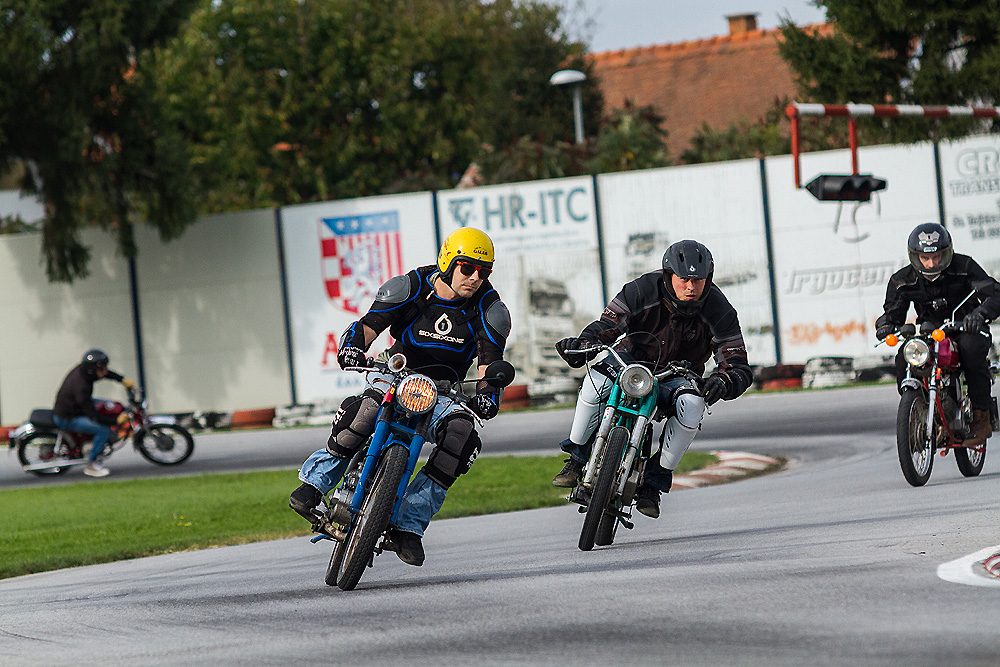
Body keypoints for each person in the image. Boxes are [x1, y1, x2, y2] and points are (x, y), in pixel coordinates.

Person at [289, 227, 511, 566]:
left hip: (444, 391)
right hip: (396, 373)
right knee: (363, 413)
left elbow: (489, 364)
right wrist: (352, 347)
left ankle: (409, 526)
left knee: (462, 436)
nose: (475, 278)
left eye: (484, 271)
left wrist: (487, 394)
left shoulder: (490, 308)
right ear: (448, 262)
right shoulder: (411, 286)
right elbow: (369, 326)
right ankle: (314, 484)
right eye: (468, 268)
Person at [552, 239, 753, 519]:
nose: (691, 287)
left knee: (693, 406)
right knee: (595, 380)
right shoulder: (641, 289)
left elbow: (737, 364)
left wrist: (725, 380)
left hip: (678, 375)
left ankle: (654, 482)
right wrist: (584, 343)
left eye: (699, 280)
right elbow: (608, 326)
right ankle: (577, 457)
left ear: (709, 278)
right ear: (668, 275)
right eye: (684, 279)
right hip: (629, 361)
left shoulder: (721, 310)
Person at [874, 222, 1000, 447]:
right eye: (925, 258)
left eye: (937, 257)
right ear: (915, 257)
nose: (932, 263)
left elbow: (994, 294)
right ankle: (918, 411)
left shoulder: (965, 266)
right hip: (930, 333)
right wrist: (885, 325)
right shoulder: (902, 280)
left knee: (971, 351)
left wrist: (979, 314)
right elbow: (892, 313)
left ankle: (981, 416)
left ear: (947, 253)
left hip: (967, 327)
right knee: (905, 358)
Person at [53, 349, 135, 477]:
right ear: (92, 370)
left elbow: (104, 374)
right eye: (101, 369)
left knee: (109, 405)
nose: (105, 371)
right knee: (103, 429)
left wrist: (122, 380)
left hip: (76, 407)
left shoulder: (85, 371)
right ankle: (91, 464)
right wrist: (115, 421)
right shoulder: (81, 386)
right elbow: (92, 415)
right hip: (68, 417)